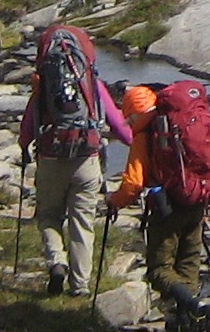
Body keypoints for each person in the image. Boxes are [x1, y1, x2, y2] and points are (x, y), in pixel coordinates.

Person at [17, 22, 130, 297]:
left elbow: (27, 129)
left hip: (51, 158)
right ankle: (79, 286)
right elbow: (122, 129)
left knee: (48, 216)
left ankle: (57, 262)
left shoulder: (43, 86)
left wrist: (24, 148)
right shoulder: (91, 83)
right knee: (82, 223)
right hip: (86, 159)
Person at [111, 78, 210, 332]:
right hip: (198, 199)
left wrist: (114, 203)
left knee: (160, 269)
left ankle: (191, 306)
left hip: (167, 207)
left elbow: (133, 183)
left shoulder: (148, 134)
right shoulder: (181, 123)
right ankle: (186, 324)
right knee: (189, 262)